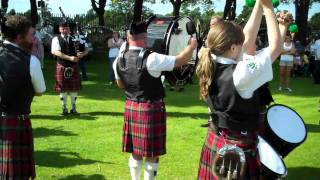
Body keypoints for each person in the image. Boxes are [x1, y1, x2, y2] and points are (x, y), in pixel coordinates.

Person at [196, 0, 291, 179]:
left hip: (217, 138)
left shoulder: (208, 60)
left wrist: (258, 5)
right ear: (232, 47)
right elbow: (276, 48)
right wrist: (268, 7)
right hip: (238, 144)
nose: (245, 47)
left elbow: (245, 41)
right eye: (240, 45)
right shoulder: (241, 74)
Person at [113, 21, 197, 180]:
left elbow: (120, 84)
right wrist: (191, 46)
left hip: (131, 106)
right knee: (152, 152)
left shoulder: (119, 60)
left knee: (135, 150)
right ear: (145, 38)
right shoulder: (152, 58)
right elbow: (180, 60)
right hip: (150, 109)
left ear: (128, 38)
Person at [0, 15, 46, 179]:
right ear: (19, 37)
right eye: (31, 35)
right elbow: (40, 90)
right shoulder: (31, 61)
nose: (34, 39)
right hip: (17, 122)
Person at [51, 20, 90, 115]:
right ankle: (64, 108)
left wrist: (82, 54)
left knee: (73, 89)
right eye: (63, 28)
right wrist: (70, 58)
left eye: (67, 28)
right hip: (62, 65)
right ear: (60, 29)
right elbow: (56, 52)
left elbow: (87, 48)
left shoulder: (75, 38)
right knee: (62, 88)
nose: (65, 30)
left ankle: (73, 108)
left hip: (73, 66)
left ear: (69, 29)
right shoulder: (56, 39)